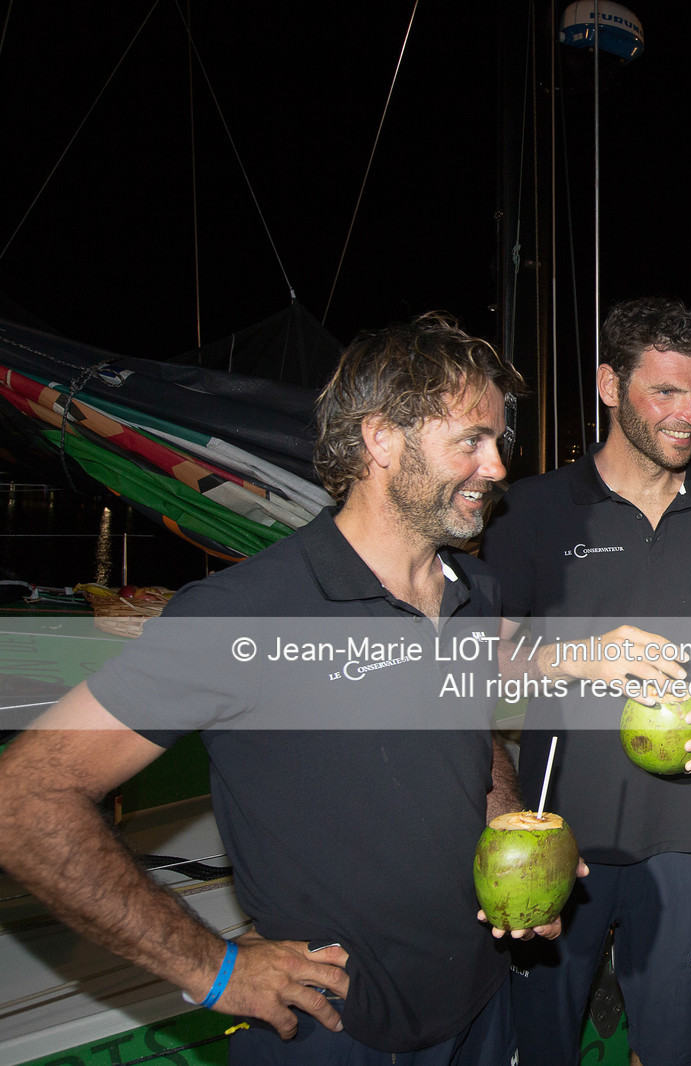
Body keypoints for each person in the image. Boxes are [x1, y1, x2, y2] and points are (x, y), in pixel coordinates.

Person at [0, 313, 555, 1063]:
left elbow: (470, 736)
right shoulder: (242, 614)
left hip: (483, 1004)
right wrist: (212, 967)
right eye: (471, 441)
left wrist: (511, 836)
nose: (496, 468)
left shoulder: (475, 591)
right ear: (380, 439)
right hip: (332, 1030)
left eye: (498, 443)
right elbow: (26, 798)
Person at [479, 296, 691, 1066]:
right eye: (666, 392)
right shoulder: (531, 511)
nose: (689, 414)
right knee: (543, 1050)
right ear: (611, 386)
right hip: (556, 839)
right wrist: (579, 654)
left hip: (687, 839)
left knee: (674, 1048)